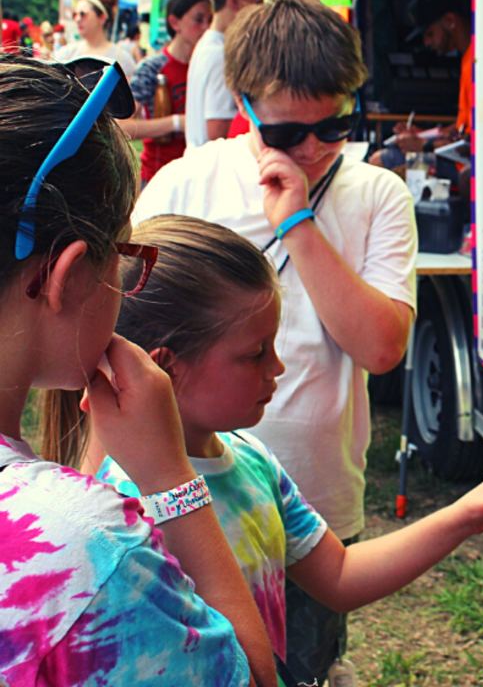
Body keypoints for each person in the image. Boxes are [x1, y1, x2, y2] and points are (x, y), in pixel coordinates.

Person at [132, 0, 417, 683]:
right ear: (243, 104)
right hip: (184, 495)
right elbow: (127, 341)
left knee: (306, 666)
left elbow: (381, 349)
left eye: (336, 125)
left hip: (316, 497)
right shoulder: (184, 184)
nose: (314, 149)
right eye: (289, 133)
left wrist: (297, 225)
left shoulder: (376, 194)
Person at [95, 214, 483, 667]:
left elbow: (339, 575)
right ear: (167, 368)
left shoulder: (252, 460)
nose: (277, 367)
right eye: (255, 353)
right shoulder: (120, 513)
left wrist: (466, 514)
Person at [0, 55, 277, 686]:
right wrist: (171, 479)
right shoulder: (87, 551)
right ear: (66, 275)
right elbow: (256, 678)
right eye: (125, 257)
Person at [369, 0, 473, 171]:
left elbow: (472, 139)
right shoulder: (468, 59)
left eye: (430, 33)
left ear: (450, 21)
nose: (427, 42)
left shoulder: (477, 60)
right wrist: (424, 134)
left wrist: (426, 145)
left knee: (381, 160)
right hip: (458, 157)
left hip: (465, 165)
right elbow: (463, 128)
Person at [119, 0, 212, 183]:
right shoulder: (152, 67)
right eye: (198, 19)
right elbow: (122, 126)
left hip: (201, 176)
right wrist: (176, 123)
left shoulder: (210, 65)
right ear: (174, 22)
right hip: (158, 176)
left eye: (209, 20)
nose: (205, 27)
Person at [185, 0, 268, 149]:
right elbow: (218, 129)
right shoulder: (222, 54)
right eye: (258, 2)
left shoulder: (207, 44)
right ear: (235, 0)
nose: (261, 11)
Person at [55, 0, 137, 78]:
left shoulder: (122, 58)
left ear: (102, 17)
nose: (77, 19)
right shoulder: (66, 55)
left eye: (83, 14)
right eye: (75, 14)